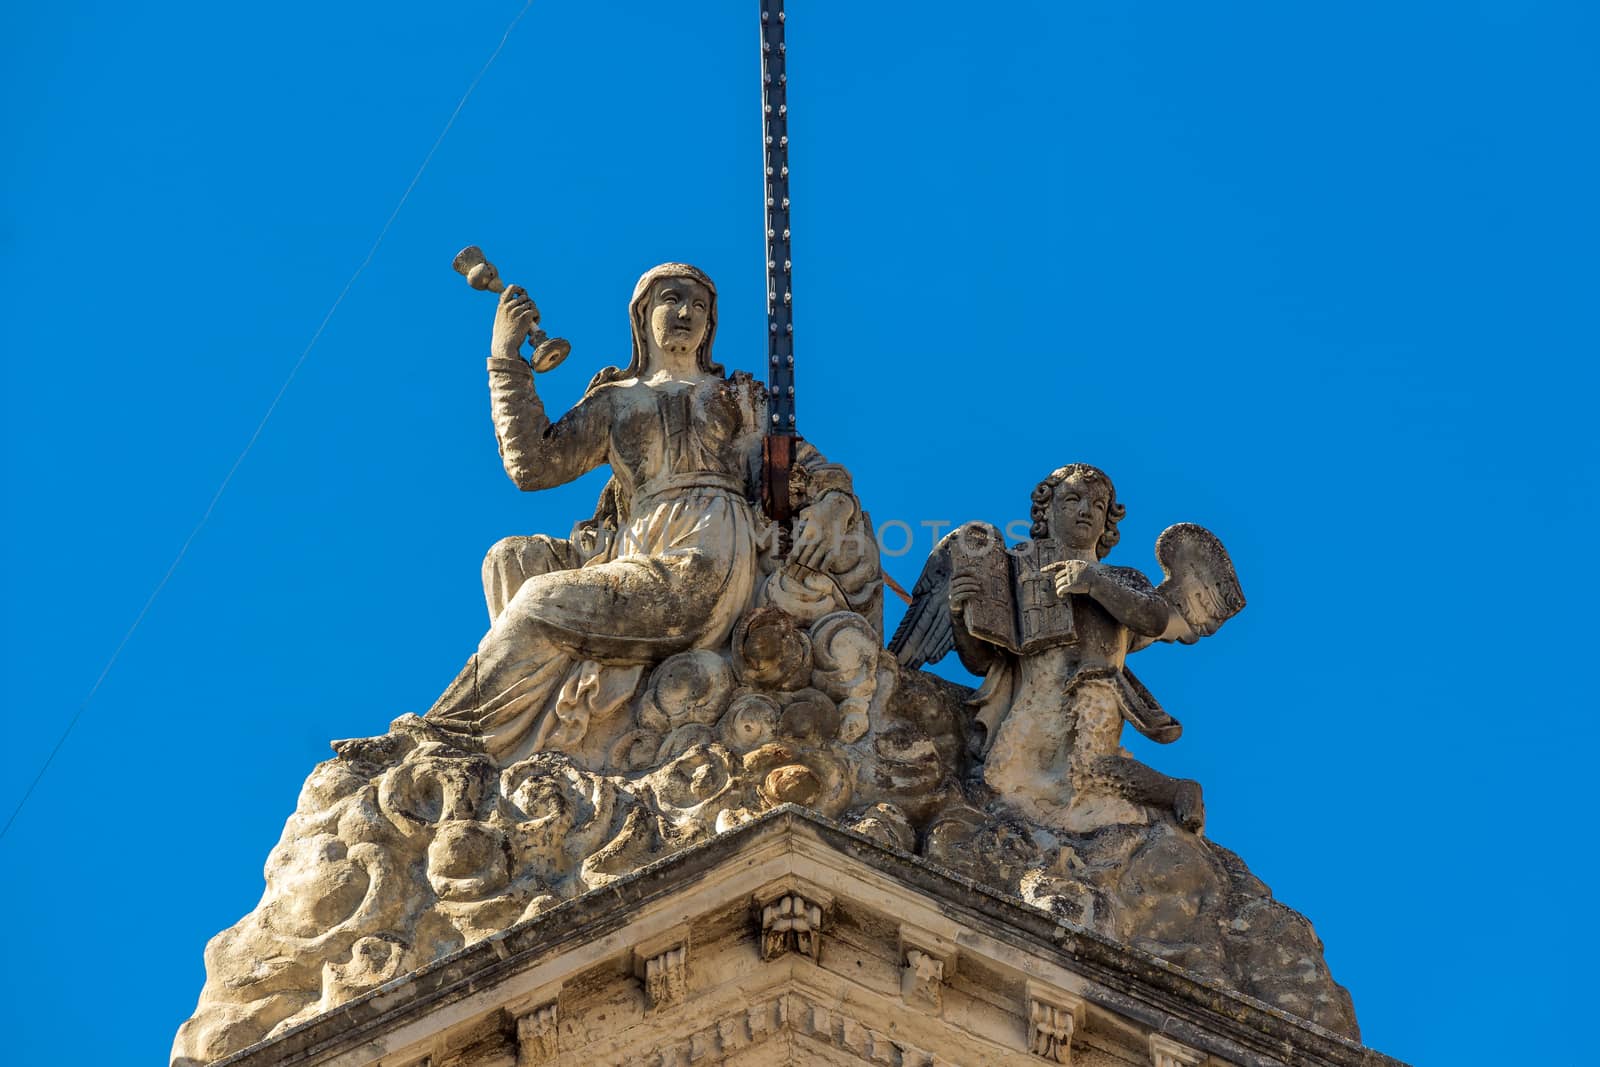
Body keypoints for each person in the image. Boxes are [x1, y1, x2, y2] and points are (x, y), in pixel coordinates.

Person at [426, 263, 875, 766]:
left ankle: (449, 740)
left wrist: (834, 505)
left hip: (707, 553)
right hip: (638, 545)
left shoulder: (735, 397)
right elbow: (532, 466)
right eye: (671, 299)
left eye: (699, 305)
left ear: (711, 324)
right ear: (642, 315)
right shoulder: (613, 400)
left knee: (536, 601)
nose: (686, 313)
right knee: (508, 559)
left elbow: (811, 468)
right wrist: (506, 356)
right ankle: (530, 737)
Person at [951, 464, 1204, 832]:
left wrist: (1093, 582)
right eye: (1073, 499)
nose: (1086, 510)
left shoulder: (1122, 577)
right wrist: (961, 615)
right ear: (1046, 510)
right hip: (1036, 697)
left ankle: (1178, 791)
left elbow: (1153, 618)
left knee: (1088, 768)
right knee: (1002, 781)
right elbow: (981, 662)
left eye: (1098, 506)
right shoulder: (1015, 572)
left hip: (1093, 689)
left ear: (1107, 522)